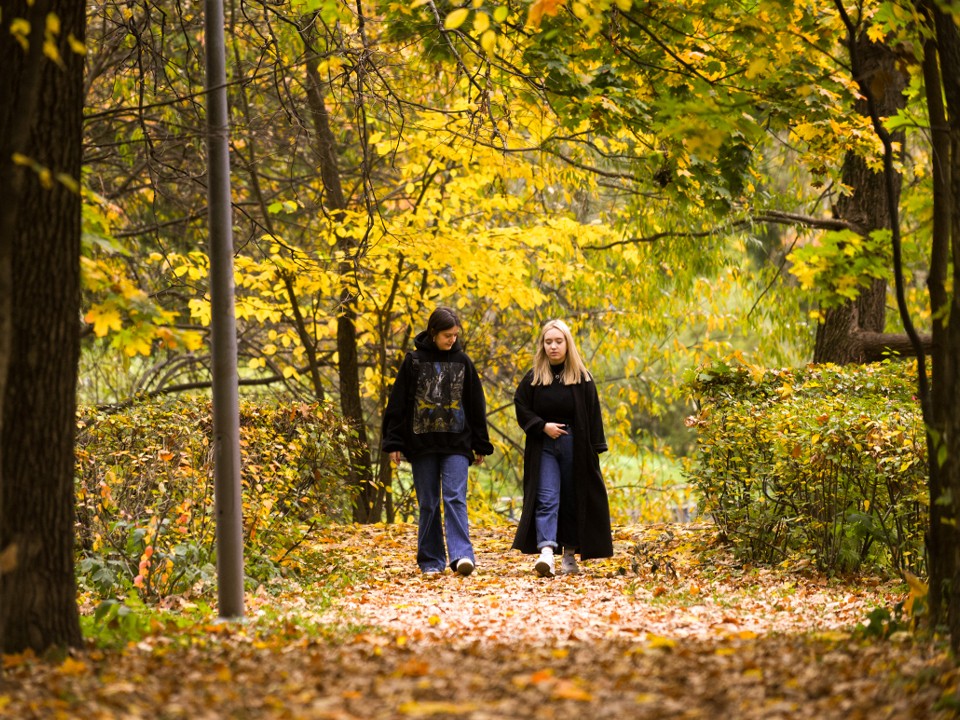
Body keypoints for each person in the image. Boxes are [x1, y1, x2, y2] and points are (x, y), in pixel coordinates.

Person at [382, 307, 493, 576]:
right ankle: (431, 561)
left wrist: (480, 442)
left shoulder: (463, 362)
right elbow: (398, 405)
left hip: (457, 443)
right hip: (422, 444)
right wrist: (393, 442)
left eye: (455, 335)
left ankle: (462, 556)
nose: (452, 340)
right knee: (429, 502)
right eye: (447, 335)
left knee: (455, 497)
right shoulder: (413, 362)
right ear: (433, 333)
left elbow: (475, 405)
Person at [511, 319, 613, 577]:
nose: (553, 346)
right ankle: (546, 552)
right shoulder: (534, 377)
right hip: (544, 445)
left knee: (572, 497)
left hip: (575, 446)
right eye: (548, 342)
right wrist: (541, 426)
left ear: (568, 344)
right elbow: (521, 405)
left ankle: (569, 555)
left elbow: (593, 414)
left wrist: (595, 448)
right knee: (546, 497)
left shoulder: (581, 377)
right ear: (542, 345)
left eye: (558, 341)